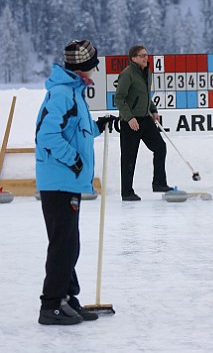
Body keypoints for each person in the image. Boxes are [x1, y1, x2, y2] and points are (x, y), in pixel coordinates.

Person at [35, 39, 116, 325]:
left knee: (69, 244)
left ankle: (67, 298)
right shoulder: (62, 93)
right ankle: (51, 305)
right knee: (64, 245)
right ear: (84, 67)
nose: (95, 69)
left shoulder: (73, 91)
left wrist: (97, 127)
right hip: (59, 181)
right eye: (93, 64)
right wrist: (74, 160)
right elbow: (47, 135)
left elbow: (73, 131)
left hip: (66, 181)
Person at [114, 44, 171, 201]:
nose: (146, 58)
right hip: (131, 122)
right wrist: (129, 118)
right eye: (142, 55)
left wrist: (153, 110)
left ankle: (159, 183)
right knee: (129, 157)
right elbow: (119, 98)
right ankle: (127, 192)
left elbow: (145, 95)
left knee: (160, 147)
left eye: (146, 55)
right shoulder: (127, 74)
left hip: (145, 119)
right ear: (133, 58)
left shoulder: (147, 72)